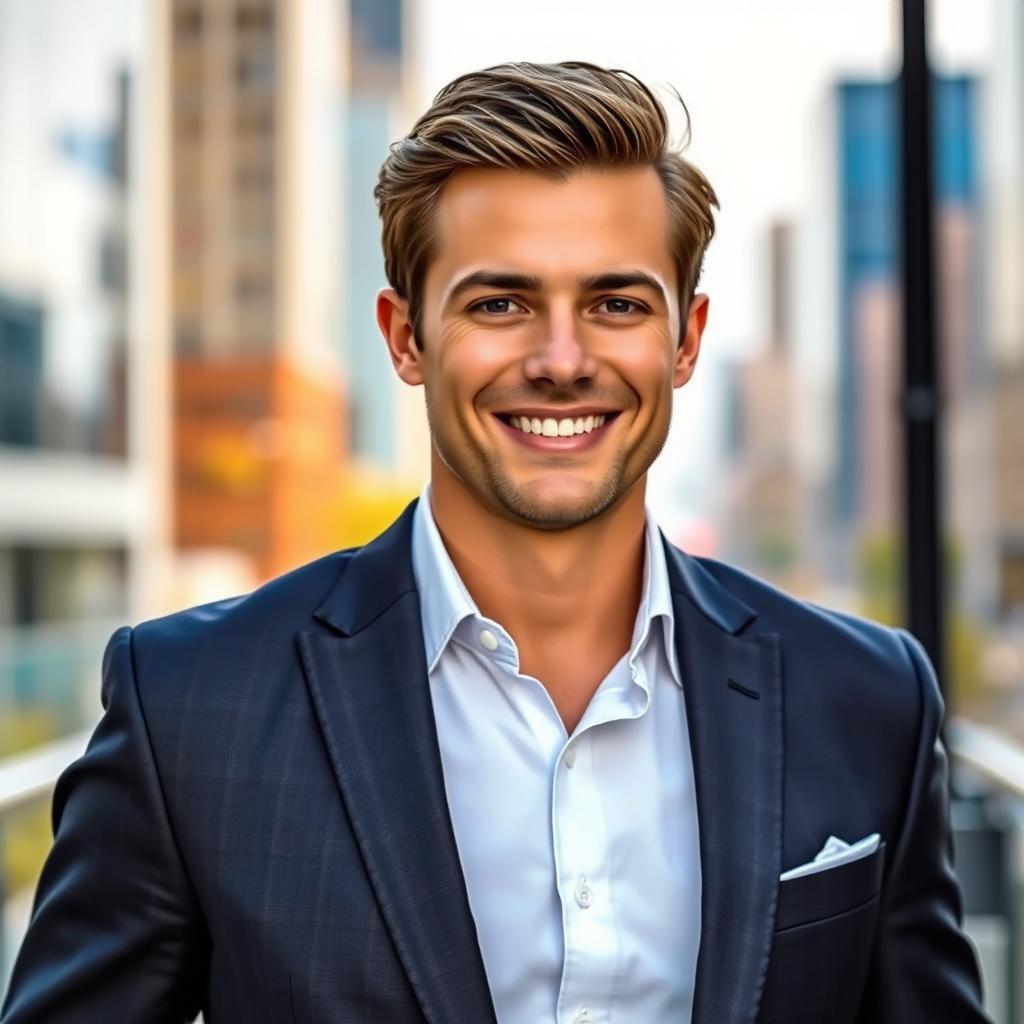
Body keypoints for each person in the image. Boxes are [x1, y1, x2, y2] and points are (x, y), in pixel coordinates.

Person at [2, 61, 989, 1024]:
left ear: (685, 339)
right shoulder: (191, 708)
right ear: (405, 337)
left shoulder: (867, 699)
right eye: (499, 303)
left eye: (615, 303)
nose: (561, 360)